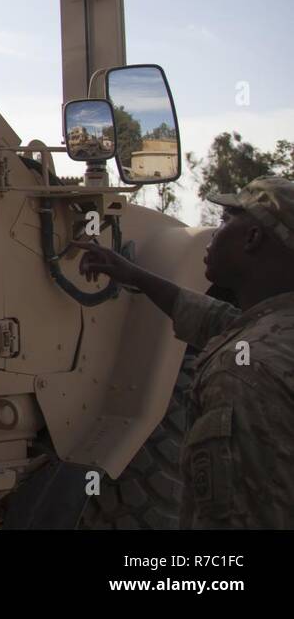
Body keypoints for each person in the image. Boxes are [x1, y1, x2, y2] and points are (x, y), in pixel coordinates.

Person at [76, 176, 294, 528]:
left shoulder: (241, 374)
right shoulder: (276, 331)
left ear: (253, 238)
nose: (213, 232)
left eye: (225, 221)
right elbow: (223, 321)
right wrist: (135, 275)